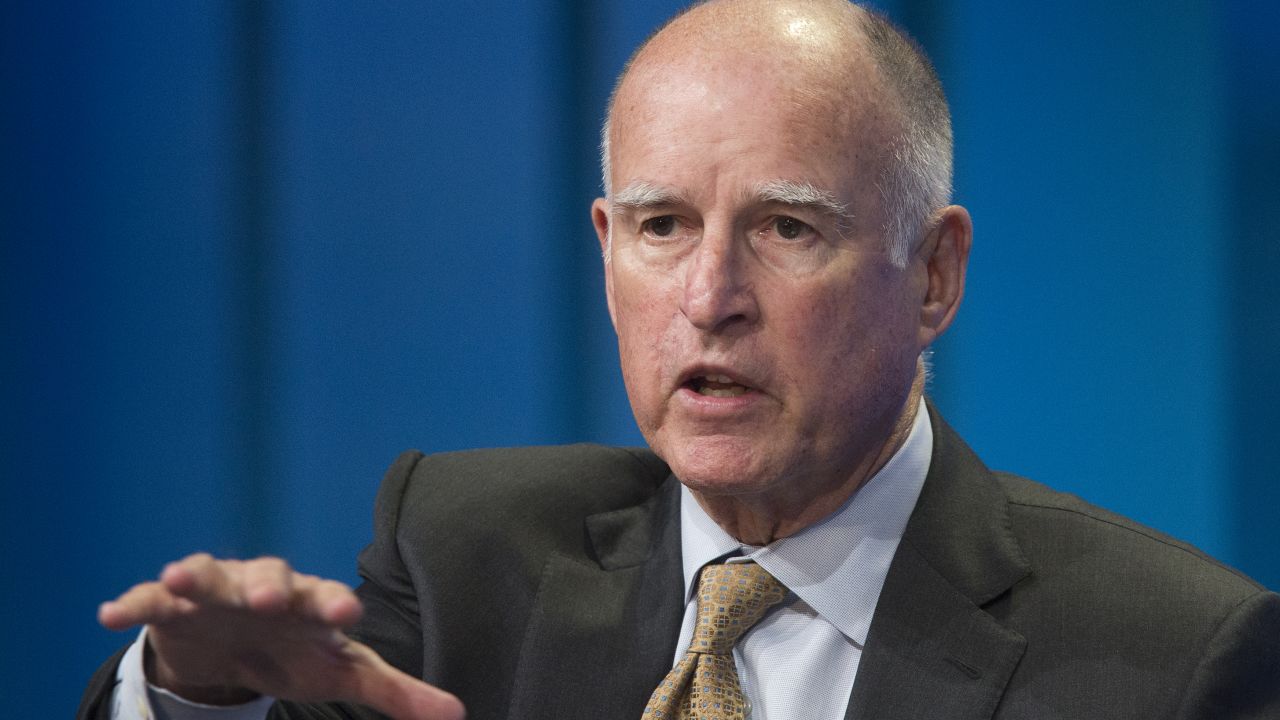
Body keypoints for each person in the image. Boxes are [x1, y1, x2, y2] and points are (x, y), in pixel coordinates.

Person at [80, 1, 1280, 718]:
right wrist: (195, 691)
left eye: (786, 227)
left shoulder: (1175, 658)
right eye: (662, 226)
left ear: (932, 277)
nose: (709, 299)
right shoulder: (461, 557)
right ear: (606, 252)